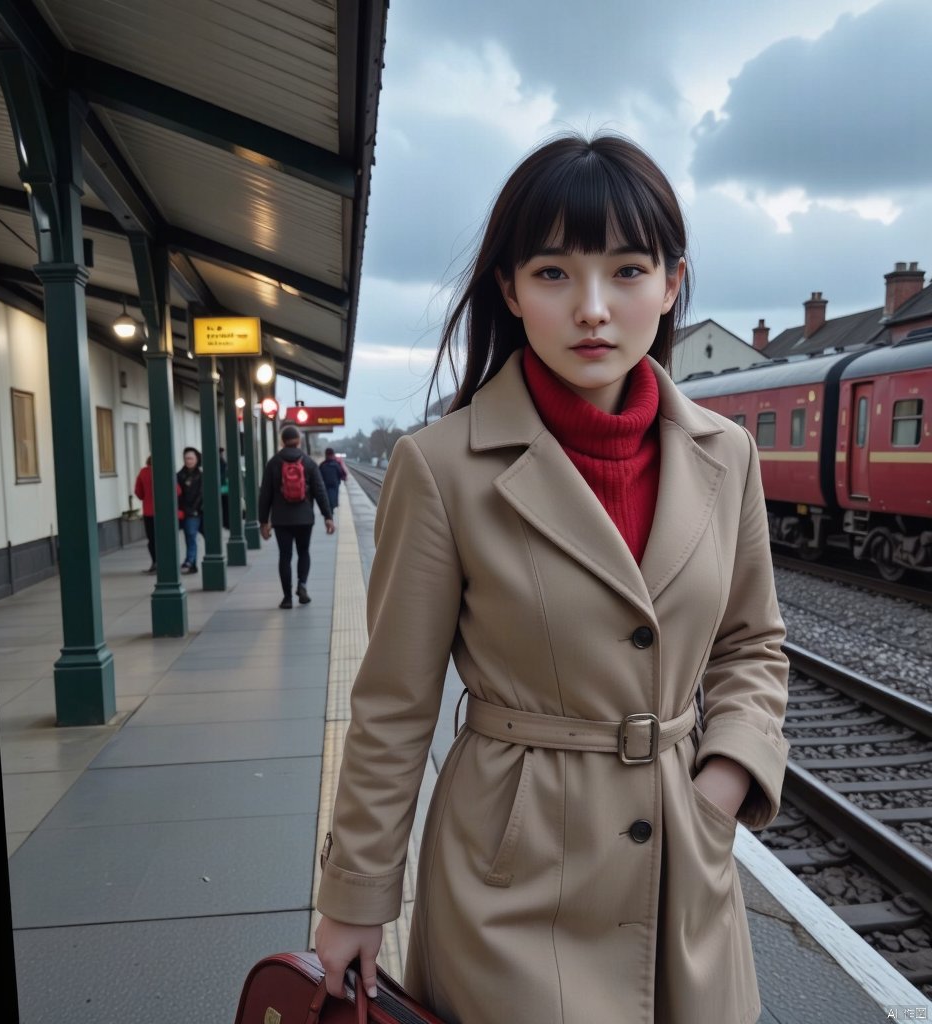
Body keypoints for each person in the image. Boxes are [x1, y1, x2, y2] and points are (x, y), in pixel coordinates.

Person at [314, 132, 790, 1024]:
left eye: (627, 270)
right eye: (554, 274)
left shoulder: (728, 456)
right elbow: (393, 703)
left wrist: (723, 782)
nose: (594, 309)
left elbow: (751, 641)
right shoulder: (443, 467)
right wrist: (355, 896)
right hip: (511, 872)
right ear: (510, 288)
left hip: (684, 860)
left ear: (671, 283)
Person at [258, 424, 335, 608]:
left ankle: (286, 598)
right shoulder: (308, 462)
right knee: (303, 552)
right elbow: (320, 491)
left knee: (285, 556)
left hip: (281, 519)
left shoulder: (273, 462)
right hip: (304, 518)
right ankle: (302, 585)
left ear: (282, 441)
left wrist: (263, 521)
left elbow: (265, 494)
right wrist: (328, 516)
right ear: (299, 441)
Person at [176, 446, 203, 574]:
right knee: (189, 536)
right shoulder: (179, 475)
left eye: (191, 458)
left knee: (191, 535)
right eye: (186, 458)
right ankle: (191, 562)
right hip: (186, 511)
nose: (189, 461)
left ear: (197, 459)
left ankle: (190, 561)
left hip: (197, 511)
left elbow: (202, 494)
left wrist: (195, 508)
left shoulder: (201, 475)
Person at [133, 455, 156, 573]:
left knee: (152, 539)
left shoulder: (143, 472)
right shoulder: (166, 471)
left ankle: (155, 563)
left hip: (149, 511)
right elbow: (177, 491)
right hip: (165, 512)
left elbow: (138, 492)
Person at [318, 447, 348, 514]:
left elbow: (318, 475)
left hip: (325, 485)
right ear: (333, 454)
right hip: (335, 485)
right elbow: (342, 473)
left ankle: (328, 511)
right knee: (333, 498)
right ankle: (333, 507)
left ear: (325, 455)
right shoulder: (337, 464)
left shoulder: (322, 465)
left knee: (326, 498)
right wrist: (343, 478)